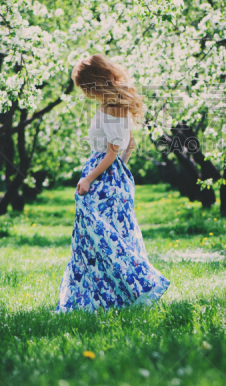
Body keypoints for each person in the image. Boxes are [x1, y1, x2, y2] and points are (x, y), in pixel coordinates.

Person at [54, 54, 170, 313]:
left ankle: (132, 287)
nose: (84, 92)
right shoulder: (114, 105)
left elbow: (112, 152)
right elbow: (129, 146)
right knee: (107, 239)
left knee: (100, 241)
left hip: (101, 180)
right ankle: (111, 299)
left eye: (84, 86)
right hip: (112, 179)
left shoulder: (112, 108)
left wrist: (89, 178)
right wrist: (119, 174)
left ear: (94, 81)